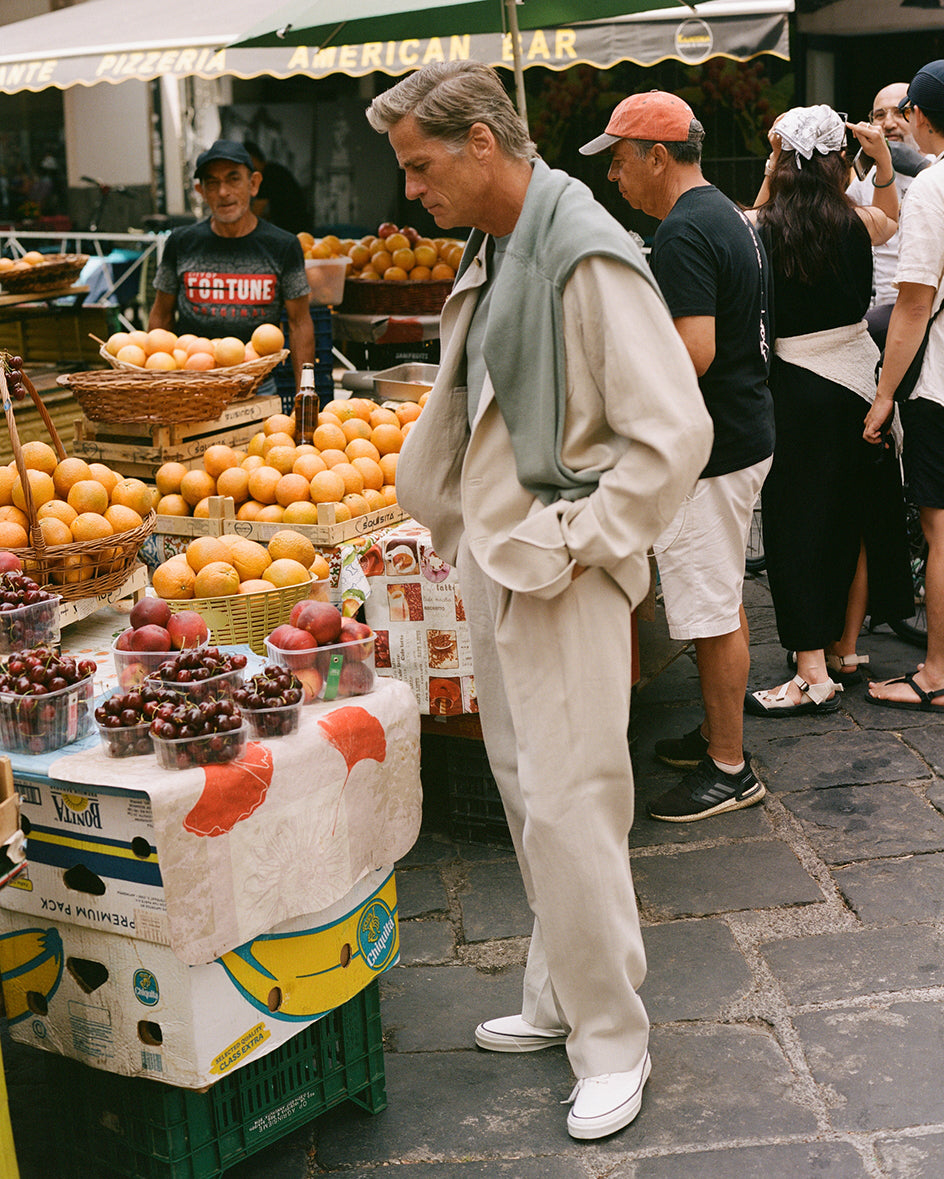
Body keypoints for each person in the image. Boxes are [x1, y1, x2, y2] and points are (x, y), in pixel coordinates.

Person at [366, 61, 712, 1140]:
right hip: (505, 555)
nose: (410, 189)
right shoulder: (502, 240)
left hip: (555, 566)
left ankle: (612, 1039)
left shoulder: (584, 251)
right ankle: (560, 992)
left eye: (420, 165)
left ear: (481, 143)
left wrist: (575, 543)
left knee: (572, 802)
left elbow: (672, 435)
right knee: (528, 794)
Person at [581, 90, 773, 822]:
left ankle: (730, 768)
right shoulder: (721, 211)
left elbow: (694, 352)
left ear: (657, 156)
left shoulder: (685, 231)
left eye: (619, 161)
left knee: (710, 611)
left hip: (714, 447)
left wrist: (618, 386)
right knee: (720, 598)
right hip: (742, 430)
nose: (613, 177)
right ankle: (717, 734)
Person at [745, 105, 913, 714]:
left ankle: (810, 674)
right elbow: (892, 218)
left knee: (797, 526)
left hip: (796, 387)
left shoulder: (761, 226)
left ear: (785, 160)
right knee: (853, 517)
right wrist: (884, 163)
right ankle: (844, 649)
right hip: (859, 380)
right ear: (838, 161)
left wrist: (773, 165)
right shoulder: (856, 220)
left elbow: (749, 222)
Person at [864, 61, 944, 712]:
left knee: (940, 528)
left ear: (919, 114)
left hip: (940, 386)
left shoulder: (933, 188)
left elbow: (914, 303)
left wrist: (886, 391)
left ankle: (937, 672)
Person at [149, 140, 314, 386]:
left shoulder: (283, 246)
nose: (223, 192)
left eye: (233, 179)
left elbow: (299, 323)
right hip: (191, 384)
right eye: (212, 183)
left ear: (253, 184)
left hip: (257, 385)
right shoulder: (181, 243)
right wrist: (154, 384)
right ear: (201, 191)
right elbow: (161, 316)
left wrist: (306, 390)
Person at [846, 82, 933, 349]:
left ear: (918, 117)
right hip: (875, 313)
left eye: (899, 112)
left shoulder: (936, 168)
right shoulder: (865, 176)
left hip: (927, 311)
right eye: (880, 115)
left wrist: (922, 167)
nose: (889, 123)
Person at [244, 139, 309, 235]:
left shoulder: (266, 174)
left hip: (293, 227)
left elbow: (257, 210)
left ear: (252, 157)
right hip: (297, 223)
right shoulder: (274, 169)